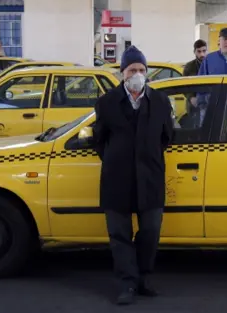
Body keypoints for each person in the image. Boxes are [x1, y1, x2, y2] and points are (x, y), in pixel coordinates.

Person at [92, 45, 174, 306]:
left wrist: (146, 158)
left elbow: (167, 137)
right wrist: (119, 159)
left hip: (150, 179)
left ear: (146, 72)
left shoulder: (160, 102)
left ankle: (144, 278)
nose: (137, 74)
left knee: (150, 231)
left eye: (141, 69)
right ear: (122, 73)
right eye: (132, 70)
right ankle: (126, 282)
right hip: (117, 180)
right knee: (120, 235)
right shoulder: (106, 103)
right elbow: (99, 141)